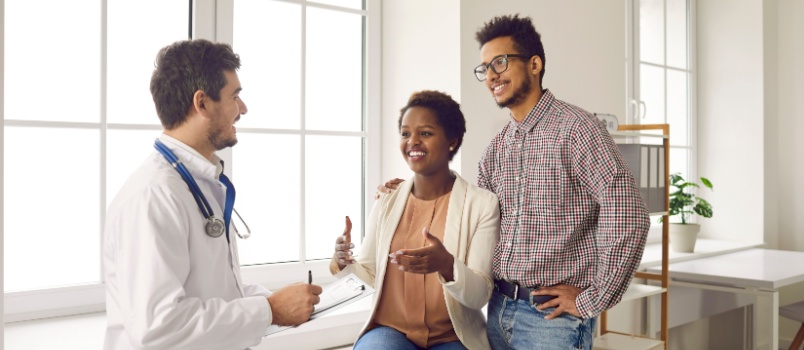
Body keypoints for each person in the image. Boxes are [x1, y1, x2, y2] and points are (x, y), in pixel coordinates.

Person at [381, 15, 650, 349]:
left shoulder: (578, 130)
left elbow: (628, 214)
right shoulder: (496, 148)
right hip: (497, 313)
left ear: (534, 64)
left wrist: (594, 297)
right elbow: (473, 213)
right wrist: (411, 190)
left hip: (551, 323)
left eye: (500, 63)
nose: (491, 76)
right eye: (484, 69)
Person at [102, 39, 322, 350]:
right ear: (202, 103)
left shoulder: (198, 182)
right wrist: (269, 310)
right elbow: (158, 328)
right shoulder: (154, 195)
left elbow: (210, 292)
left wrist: (273, 301)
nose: (243, 109)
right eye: (235, 97)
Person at [331, 91, 500, 350]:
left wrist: (447, 265)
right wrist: (343, 263)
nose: (413, 142)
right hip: (389, 331)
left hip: (452, 337)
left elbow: (479, 295)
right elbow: (368, 274)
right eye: (405, 133)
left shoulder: (482, 205)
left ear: (452, 141)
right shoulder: (387, 201)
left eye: (426, 133)